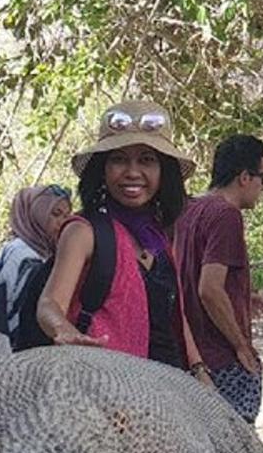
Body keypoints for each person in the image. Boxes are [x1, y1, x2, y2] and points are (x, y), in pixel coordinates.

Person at [35, 100, 212, 385]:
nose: (132, 172)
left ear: (163, 172)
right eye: (119, 159)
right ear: (102, 170)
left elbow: (174, 313)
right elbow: (49, 302)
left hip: (168, 388)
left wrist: (200, 369)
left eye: (146, 160)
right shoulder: (84, 231)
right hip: (103, 386)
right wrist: (62, 329)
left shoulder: (160, 238)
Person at [174, 134, 263, 423]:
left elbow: (188, 274)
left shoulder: (189, 209)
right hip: (221, 359)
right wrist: (241, 346)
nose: (262, 188)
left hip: (190, 359)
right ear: (244, 177)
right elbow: (209, 290)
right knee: (238, 447)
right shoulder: (226, 215)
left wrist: (242, 296)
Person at [0, 184, 72, 355]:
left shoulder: (39, 252)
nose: (63, 222)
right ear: (36, 214)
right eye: (55, 214)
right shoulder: (22, 255)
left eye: (67, 216)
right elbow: (2, 312)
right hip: (14, 354)